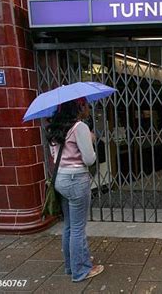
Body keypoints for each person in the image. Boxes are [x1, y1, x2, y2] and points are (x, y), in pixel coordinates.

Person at [46, 98, 104, 282]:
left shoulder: (56, 127)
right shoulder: (80, 127)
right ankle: (82, 270)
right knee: (78, 228)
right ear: (79, 107)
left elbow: (55, 156)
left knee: (69, 226)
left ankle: (71, 266)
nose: (88, 109)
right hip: (76, 179)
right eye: (86, 105)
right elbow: (89, 159)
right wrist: (91, 140)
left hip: (60, 179)